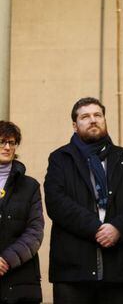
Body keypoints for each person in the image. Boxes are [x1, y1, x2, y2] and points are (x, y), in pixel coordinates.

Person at [44, 97, 123, 304]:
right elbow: (56, 203)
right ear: (75, 126)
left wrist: (117, 228)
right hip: (73, 270)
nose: (93, 120)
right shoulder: (60, 158)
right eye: (85, 116)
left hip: (118, 269)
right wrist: (96, 228)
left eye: (97, 115)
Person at [0, 121, 44, 304]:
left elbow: (35, 231)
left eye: (12, 142)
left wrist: (6, 260)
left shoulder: (30, 186)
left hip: (21, 280)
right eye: (2, 142)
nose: (7, 147)